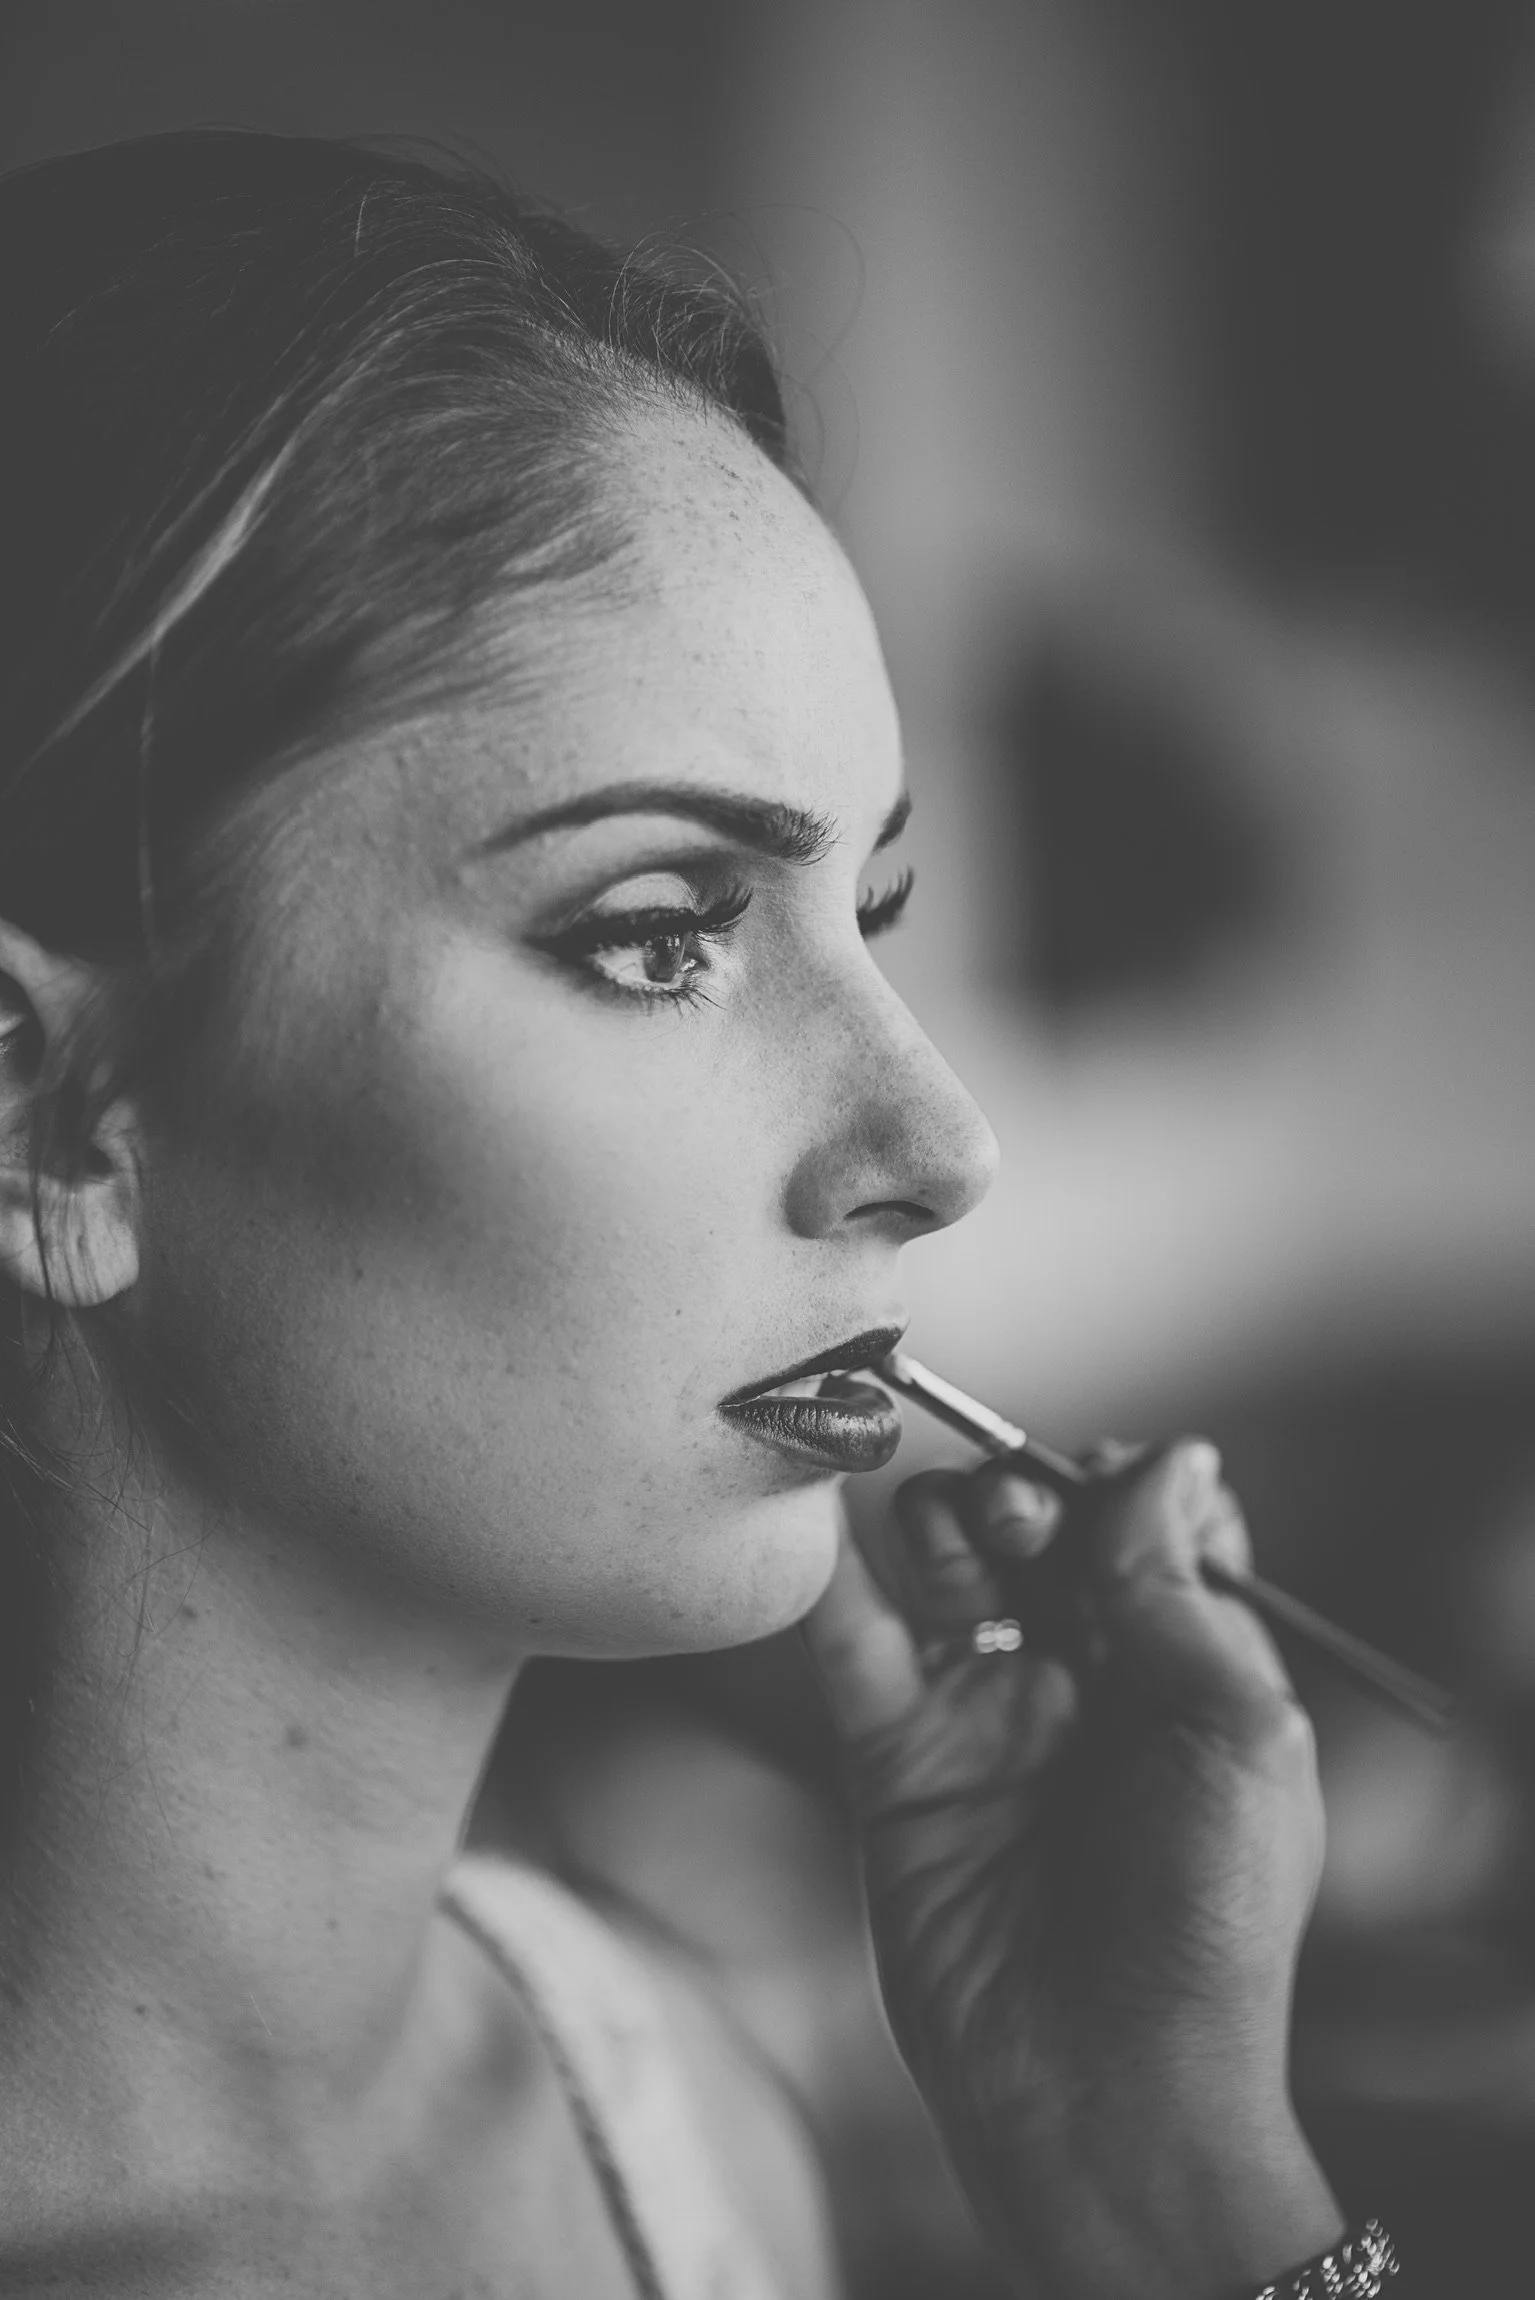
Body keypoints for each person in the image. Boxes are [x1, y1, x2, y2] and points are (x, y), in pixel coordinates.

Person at [0, 130, 1393, 2300]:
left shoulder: (674, 2103)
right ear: (44, 1108)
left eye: (875, 912)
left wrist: (1163, 2179)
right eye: (662, 931)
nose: (941, 1145)